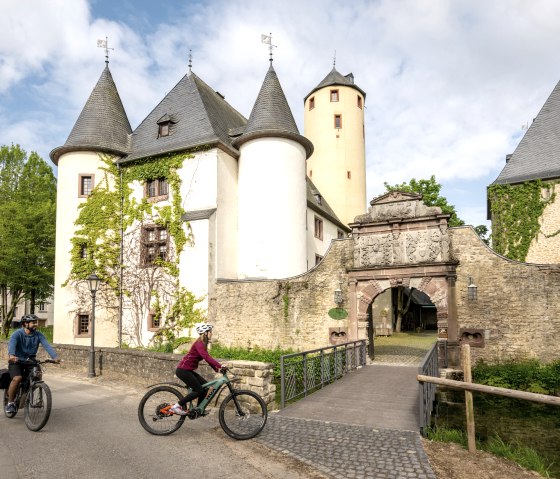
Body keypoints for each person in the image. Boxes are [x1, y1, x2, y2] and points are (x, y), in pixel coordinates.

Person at [5, 314, 60, 413]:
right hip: (16, 361)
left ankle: (26, 393)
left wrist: (55, 357)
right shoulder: (17, 334)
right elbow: (12, 345)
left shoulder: (38, 335)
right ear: (25, 324)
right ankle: (10, 403)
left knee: (38, 375)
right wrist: (12, 355)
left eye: (36, 322)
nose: (36, 324)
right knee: (17, 378)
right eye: (33, 322)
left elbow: (47, 345)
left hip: (30, 361)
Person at [170, 323, 223, 416]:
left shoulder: (202, 344)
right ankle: (176, 406)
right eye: (210, 332)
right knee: (199, 390)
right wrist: (220, 365)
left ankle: (198, 410)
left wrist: (216, 369)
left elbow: (207, 358)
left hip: (187, 370)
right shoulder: (199, 343)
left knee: (205, 387)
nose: (212, 334)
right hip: (183, 370)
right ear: (205, 333)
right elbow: (206, 357)